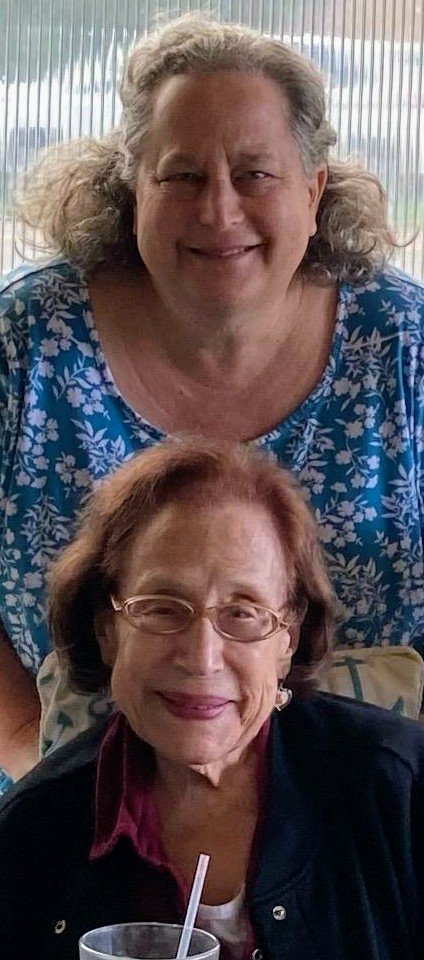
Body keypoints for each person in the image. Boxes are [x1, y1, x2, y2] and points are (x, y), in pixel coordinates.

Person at [1, 15, 424, 792]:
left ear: (313, 191)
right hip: (77, 798)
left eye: (255, 174)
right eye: (182, 176)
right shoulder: (27, 342)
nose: (219, 211)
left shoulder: (406, 347)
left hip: (369, 807)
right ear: (134, 189)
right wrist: (40, 763)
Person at [0, 437, 423, 960]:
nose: (202, 659)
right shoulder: (31, 830)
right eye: (161, 607)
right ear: (107, 631)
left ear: (287, 640)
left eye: (242, 612)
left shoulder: (401, 789)